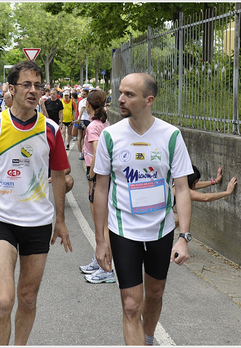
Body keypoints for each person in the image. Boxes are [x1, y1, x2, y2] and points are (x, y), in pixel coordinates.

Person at [0, 60, 72, 345]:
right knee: (4, 300)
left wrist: (62, 220)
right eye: (26, 85)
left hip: (39, 223)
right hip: (2, 221)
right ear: (12, 88)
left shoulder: (51, 129)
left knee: (28, 299)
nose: (33, 91)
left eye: (38, 85)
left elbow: (59, 175)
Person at [93, 73, 193, 346]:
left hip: (161, 230)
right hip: (123, 230)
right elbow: (100, 189)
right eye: (120, 92)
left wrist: (184, 237)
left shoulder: (171, 135)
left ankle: (147, 338)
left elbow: (182, 188)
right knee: (130, 304)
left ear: (149, 100)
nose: (120, 99)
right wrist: (100, 240)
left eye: (129, 95)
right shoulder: (110, 136)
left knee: (156, 293)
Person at [79, 89, 115, 284]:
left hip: (97, 175)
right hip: (102, 175)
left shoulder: (93, 126)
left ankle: (106, 268)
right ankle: (99, 260)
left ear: (89, 106)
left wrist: (92, 178)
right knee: (102, 224)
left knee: (102, 225)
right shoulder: (105, 123)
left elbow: (96, 153)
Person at [74, 88, 90, 160]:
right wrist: (79, 118)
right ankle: (83, 152)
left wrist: (78, 118)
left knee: (80, 136)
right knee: (84, 136)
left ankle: (81, 153)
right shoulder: (86, 101)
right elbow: (82, 109)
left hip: (81, 119)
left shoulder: (80, 101)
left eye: (84, 94)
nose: (83, 95)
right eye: (82, 94)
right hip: (85, 119)